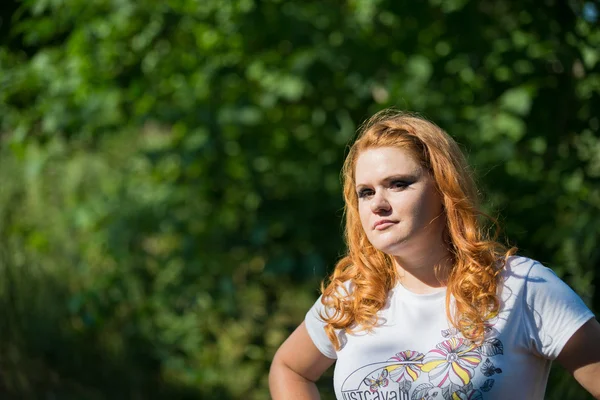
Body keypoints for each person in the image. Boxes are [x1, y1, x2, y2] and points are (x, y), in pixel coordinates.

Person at [269, 110, 600, 400]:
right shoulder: (353, 295)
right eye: (365, 192)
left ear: (444, 188)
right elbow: (289, 369)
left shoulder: (521, 285)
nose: (378, 203)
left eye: (398, 184)